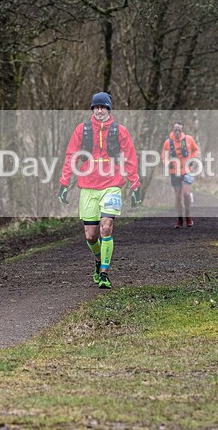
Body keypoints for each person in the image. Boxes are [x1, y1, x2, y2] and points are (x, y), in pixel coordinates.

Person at [58, 92, 142, 289]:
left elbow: (130, 159)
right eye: (96, 107)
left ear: (109, 109)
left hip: (112, 184)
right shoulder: (82, 130)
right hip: (87, 187)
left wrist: (135, 185)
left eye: (103, 107)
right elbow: (72, 156)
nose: (99, 110)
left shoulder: (119, 131)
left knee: (106, 227)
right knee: (90, 235)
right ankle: (98, 261)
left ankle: (104, 273)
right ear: (92, 110)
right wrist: (64, 183)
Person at [161, 121, 199, 228]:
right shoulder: (168, 142)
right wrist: (167, 163)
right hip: (175, 172)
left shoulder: (189, 139)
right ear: (173, 130)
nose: (177, 132)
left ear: (182, 130)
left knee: (186, 194)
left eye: (179, 130)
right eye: (175, 130)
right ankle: (179, 220)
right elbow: (164, 155)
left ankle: (188, 216)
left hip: (187, 171)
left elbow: (195, 150)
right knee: (178, 196)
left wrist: (193, 159)